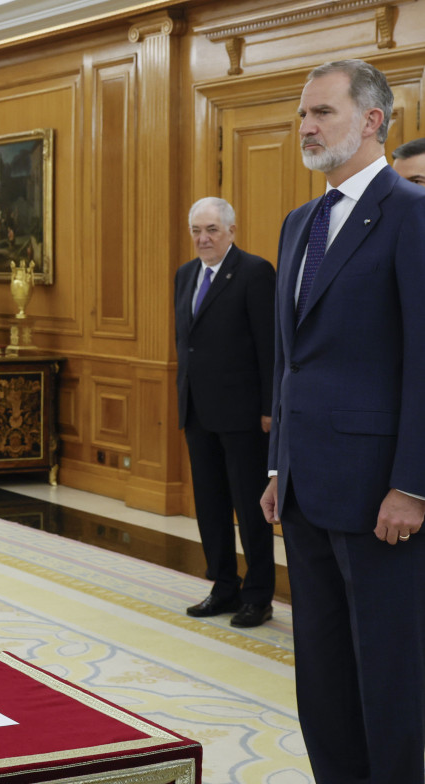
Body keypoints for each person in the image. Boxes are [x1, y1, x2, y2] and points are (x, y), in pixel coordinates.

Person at [260, 60, 425, 784]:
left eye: (321, 112)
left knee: (387, 677)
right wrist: (277, 466)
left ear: (371, 121)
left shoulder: (412, 215)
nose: (305, 127)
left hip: (379, 498)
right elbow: (289, 359)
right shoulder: (299, 222)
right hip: (304, 489)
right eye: (302, 114)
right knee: (320, 675)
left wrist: (413, 486)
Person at [174, 197, 275, 628]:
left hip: (244, 415)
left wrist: (271, 409)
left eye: (212, 229)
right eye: (197, 230)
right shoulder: (184, 275)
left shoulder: (254, 272)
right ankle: (223, 585)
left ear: (232, 231)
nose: (203, 238)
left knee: (250, 509)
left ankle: (258, 595)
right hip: (197, 409)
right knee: (210, 504)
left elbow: (270, 346)